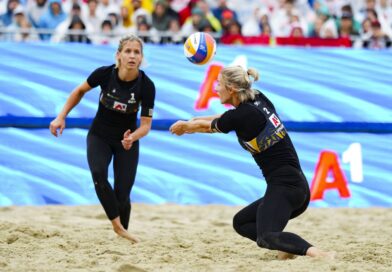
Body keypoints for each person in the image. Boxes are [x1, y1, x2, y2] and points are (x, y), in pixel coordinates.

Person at [170, 65, 333, 259]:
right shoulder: (257, 98)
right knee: (241, 222)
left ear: (231, 89)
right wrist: (193, 121)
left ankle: (319, 254)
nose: (215, 88)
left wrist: (188, 126)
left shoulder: (241, 115)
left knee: (266, 236)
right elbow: (223, 119)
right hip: (295, 186)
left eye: (219, 84)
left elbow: (210, 126)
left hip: (287, 187)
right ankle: (288, 247)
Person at [49, 34, 156, 243]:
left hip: (127, 142)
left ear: (141, 58)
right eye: (128, 51)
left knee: (122, 194)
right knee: (98, 174)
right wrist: (61, 116)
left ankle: (123, 233)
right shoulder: (105, 74)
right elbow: (79, 91)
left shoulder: (146, 86)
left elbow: (146, 126)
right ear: (119, 55)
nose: (132, 56)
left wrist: (132, 137)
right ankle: (118, 228)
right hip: (100, 135)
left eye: (137, 52)